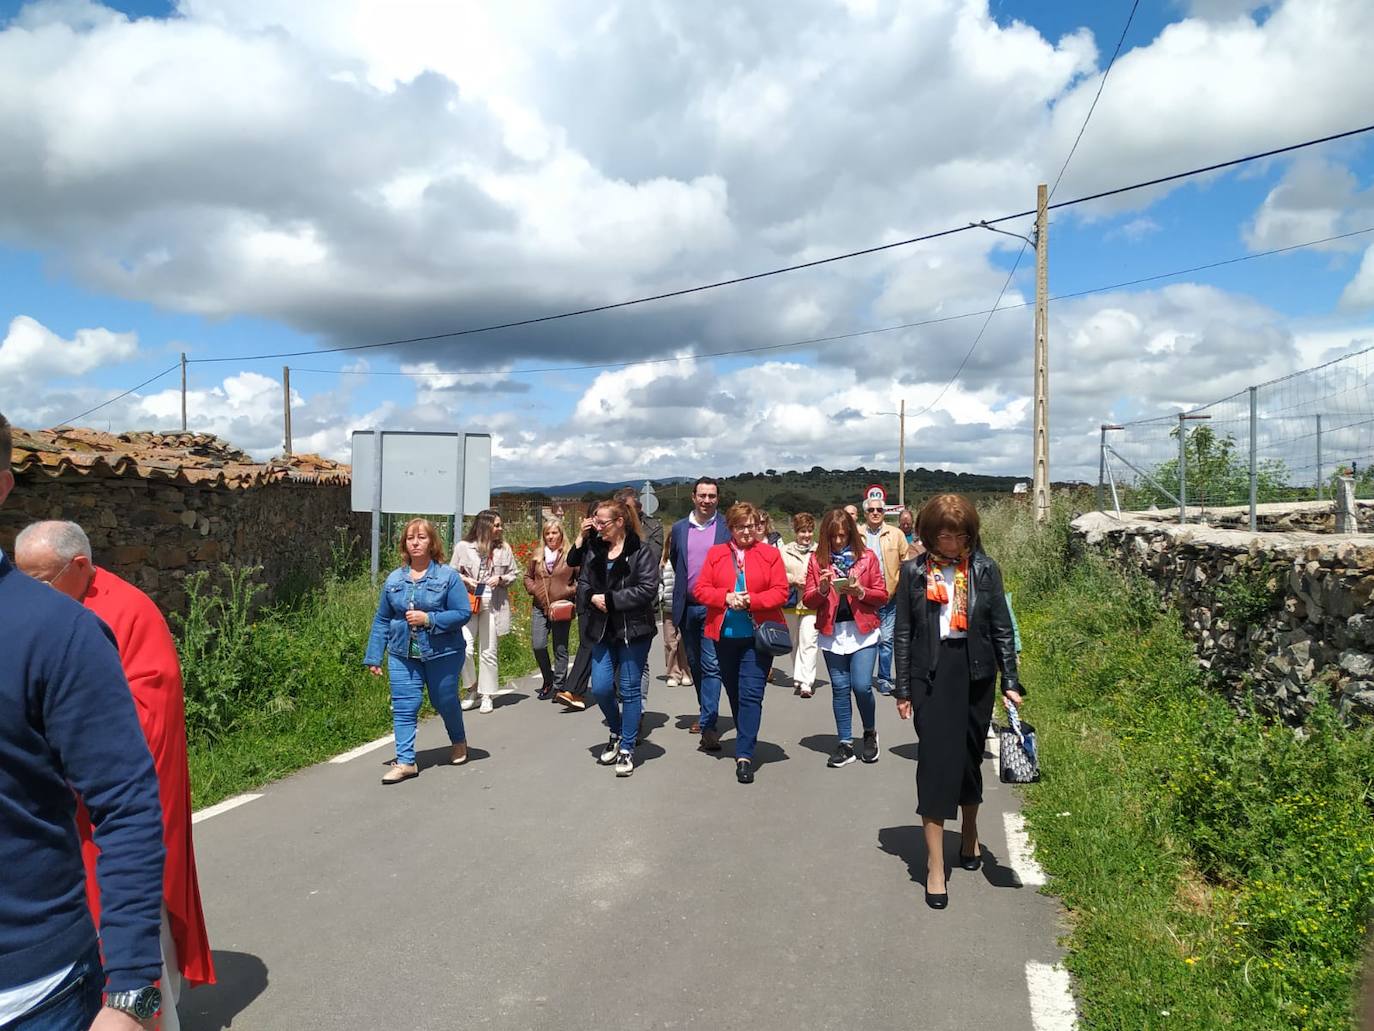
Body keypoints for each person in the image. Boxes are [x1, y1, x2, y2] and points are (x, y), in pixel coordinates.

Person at [0, 411, 167, 1031]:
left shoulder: (84, 623)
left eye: (44, 576)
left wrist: (129, 994)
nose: (37, 585)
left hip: (35, 991)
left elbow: (137, 758)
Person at [15, 521, 215, 1028]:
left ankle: (141, 1008)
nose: (30, 592)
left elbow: (149, 713)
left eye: (40, 580)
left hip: (104, 803)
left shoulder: (129, 611)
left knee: (128, 920)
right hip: (54, 815)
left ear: (79, 567)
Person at [893, 494, 1022, 911]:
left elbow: (1002, 628)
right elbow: (903, 632)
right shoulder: (914, 572)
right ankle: (934, 866)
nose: (953, 543)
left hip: (975, 672)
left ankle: (969, 831)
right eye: (945, 535)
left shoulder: (985, 570)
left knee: (969, 757)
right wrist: (903, 688)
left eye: (961, 535)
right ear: (930, 534)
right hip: (930, 674)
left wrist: (1011, 682)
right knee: (934, 763)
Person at [365, 518, 472, 783]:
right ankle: (405, 762)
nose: (415, 542)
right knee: (404, 705)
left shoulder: (448, 577)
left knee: (444, 700)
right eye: (410, 538)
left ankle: (458, 740)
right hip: (403, 653)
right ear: (404, 544)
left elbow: (462, 613)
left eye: (421, 537)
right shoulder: (394, 579)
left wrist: (430, 620)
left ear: (432, 542)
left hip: (443, 652)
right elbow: (382, 619)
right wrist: (374, 655)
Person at [692, 501, 790, 784]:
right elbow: (700, 589)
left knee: (751, 693)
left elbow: (780, 592)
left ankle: (744, 753)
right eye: (740, 526)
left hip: (757, 637)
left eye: (751, 526)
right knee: (734, 691)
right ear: (731, 528)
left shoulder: (770, 554)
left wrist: (751, 601)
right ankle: (746, 731)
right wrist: (725, 597)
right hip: (724, 636)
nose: (747, 531)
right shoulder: (716, 554)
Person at [577, 499, 659, 777]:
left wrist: (611, 600)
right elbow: (584, 583)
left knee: (630, 688)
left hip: (634, 630)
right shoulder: (594, 551)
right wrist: (592, 597)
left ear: (620, 522)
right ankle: (616, 729)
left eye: (603, 523)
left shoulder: (641, 551)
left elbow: (647, 589)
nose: (597, 528)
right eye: (596, 522)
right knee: (600, 687)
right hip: (601, 629)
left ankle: (626, 747)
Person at [804, 509, 888, 768]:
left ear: (851, 533)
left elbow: (882, 595)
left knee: (862, 686)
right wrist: (821, 590)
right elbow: (808, 600)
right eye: (833, 536)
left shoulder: (868, 558)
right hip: (832, 634)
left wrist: (861, 591)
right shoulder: (817, 562)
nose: (839, 541)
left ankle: (870, 732)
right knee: (840, 689)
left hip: (862, 632)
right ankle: (845, 743)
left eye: (843, 535)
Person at [666, 478, 731, 733]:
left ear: (718, 498)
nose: (707, 501)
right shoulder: (680, 528)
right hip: (688, 606)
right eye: (702, 495)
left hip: (715, 605)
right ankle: (706, 710)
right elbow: (676, 559)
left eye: (711, 496)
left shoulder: (727, 527)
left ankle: (708, 722)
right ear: (693, 497)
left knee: (711, 663)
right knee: (693, 663)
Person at [452, 509, 518, 714]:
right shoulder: (463, 547)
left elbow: (514, 573)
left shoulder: (504, 548)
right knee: (464, 648)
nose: (500, 528)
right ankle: (472, 689)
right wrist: (466, 579)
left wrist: (501, 579)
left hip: (493, 603)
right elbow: (451, 571)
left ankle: (487, 694)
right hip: (468, 603)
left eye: (500, 525)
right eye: (496, 525)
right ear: (484, 526)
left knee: (488, 651)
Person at [525, 519, 578, 701]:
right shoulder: (537, 555)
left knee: (560, 647)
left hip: (561, 607)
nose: (550, 537)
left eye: (554, 533)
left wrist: (569, 591)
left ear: (561, 534)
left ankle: (558, 686)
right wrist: (534, 590)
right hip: (540, 607)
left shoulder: (570, 555)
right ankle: (548, 679)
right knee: (538, 645)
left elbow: (580, 579)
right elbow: (528, 577)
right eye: (547, 533)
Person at [861, 495, 909, 696]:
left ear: (884, 513)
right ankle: (861, 677)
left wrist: (902, 588)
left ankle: (883, 678)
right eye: (871, 510)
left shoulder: (896, 534)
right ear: (865, 513)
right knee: (864, 639)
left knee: (886, 639)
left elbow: (905, 562)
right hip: (862, 596)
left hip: (889, 596)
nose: (875, 513)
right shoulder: (857, 533)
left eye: (879, 510)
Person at [780, 513, 819, 697]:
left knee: (809, 641)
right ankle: (798, 673)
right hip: (790, 599)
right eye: (803, 531)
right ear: (796, 532)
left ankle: (806, 683)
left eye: (810, 531)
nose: (806, 535)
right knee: (794, 641)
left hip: (811, 601)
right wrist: (794, 579)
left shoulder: (819, 551)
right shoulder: (784, 551)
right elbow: (777, 575)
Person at [659, 536, 694, 689]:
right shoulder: (663, 563)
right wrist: (660, 596)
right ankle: (673, 673)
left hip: (685, 607)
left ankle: (686, 672)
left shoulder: (688, 562)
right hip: (668, 608)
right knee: (670, 642)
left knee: (684, 642)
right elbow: (659, 583)